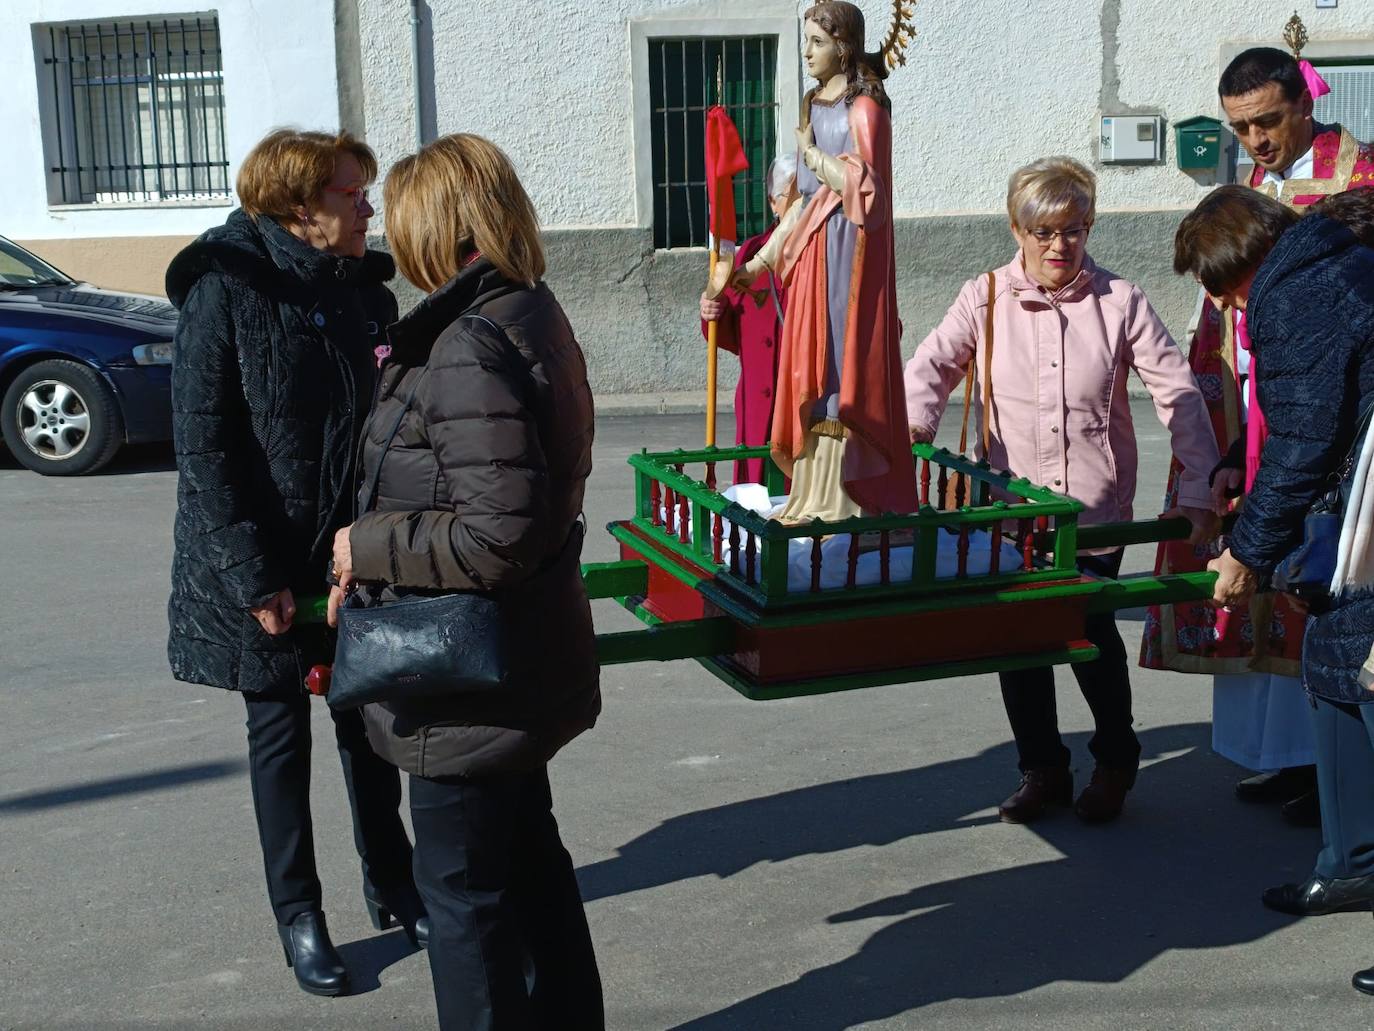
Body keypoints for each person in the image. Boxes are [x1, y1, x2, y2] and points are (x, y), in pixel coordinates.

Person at [327, 133, 604, 1030]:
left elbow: (499, 533)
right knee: (529, 864)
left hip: (467, 684)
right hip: (514, 662)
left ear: (437, 230)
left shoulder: (466, 343)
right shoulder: (525, 308)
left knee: (464, 904)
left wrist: (364, 546)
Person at [165, 129, 425, 997]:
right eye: (352, 193)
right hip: (263, 570)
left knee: (367, 723)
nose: (368, 206)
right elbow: (204, 452)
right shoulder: (224, 290)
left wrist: (374, 544)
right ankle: (300, 917)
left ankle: (392, 881)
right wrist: (255, 579)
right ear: (297, 208)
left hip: (347, 556)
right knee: (279, 739)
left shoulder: (363, 294)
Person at [904, 156, 1221, 824]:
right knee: (1017, 640)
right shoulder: (984, 296)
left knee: (1087, 628)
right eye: (1043, 231)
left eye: (1073, 230)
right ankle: (1042, 767)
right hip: (1010, 510)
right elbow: (930, 368)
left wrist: (1199, 488)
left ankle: (1114, 758)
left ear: (1089, 226)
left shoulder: (1119, 301)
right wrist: (910, 432)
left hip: (1091, 512)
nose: (1058, 246)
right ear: (1017, 230)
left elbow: (1180, 394)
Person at [1143, 46, 1374, 824]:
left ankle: (1334, 770)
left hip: (1330, 416)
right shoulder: (1242, 193)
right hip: (1256, 407)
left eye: (1269, 121)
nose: (1258, 141)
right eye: (1243, 128)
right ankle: (1289, 756)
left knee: (1327, 587)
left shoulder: (1362, 178)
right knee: (1270, 578)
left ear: (1306, 104)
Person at [1177, 185, 1374, 992]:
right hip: (1358, 506)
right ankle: (1352, 859)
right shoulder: (1331, 261)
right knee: (1336, 660)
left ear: (1239, 267)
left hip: (1368, 509)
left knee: (1364, 675)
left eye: (1221, 288)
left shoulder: (1292, 295)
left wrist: (1248, 554)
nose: (1224, 305)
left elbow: (1301, 439)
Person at [734, 0, 917, 522]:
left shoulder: (867, 108)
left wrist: (813, 155)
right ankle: (813, 495)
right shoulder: (813, 105)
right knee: (809, 368)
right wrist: (761, 264)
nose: (807, 52)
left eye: (816, 41)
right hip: (814, 257)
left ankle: (848, 500)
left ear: (844, 46)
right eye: (805, 41)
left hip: (852, 259)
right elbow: (802, 206)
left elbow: (869, 194)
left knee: (843, 366)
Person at [699, 153, 797, 484]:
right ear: (773, 203)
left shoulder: (828, 252)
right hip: (760, 410)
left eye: (807, 197)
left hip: (808, 413)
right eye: (791, 197)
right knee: (759, 510)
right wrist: (711, 309)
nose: (800, 207)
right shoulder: (752, 252)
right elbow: (726, 330)